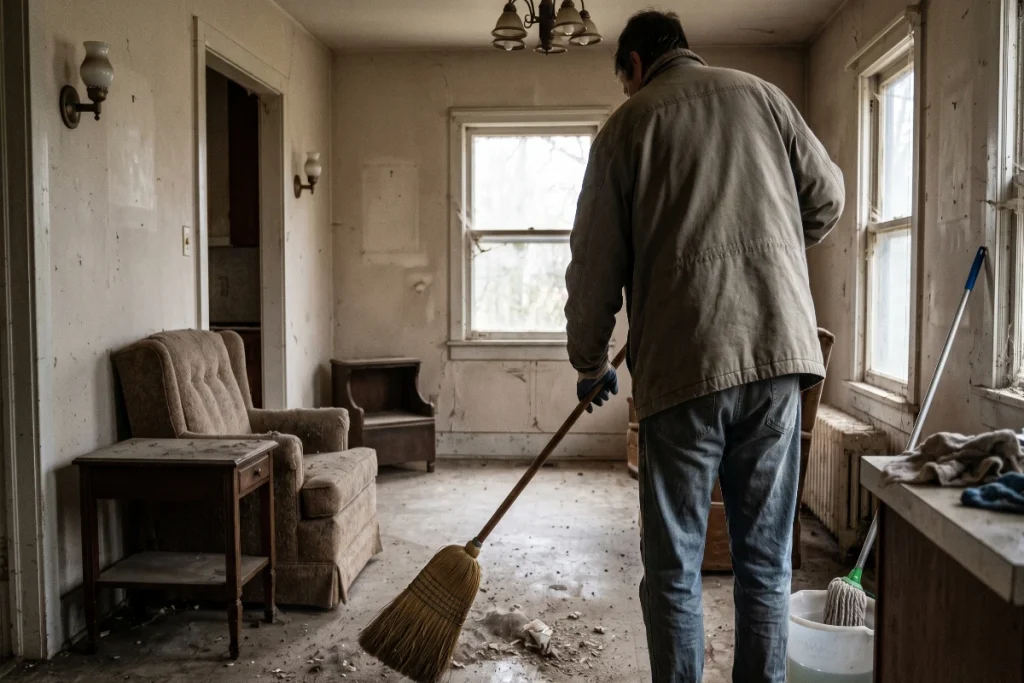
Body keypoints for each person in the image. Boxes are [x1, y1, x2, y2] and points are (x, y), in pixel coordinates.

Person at [564, 10, 844, 683]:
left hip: (686, 367)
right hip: (779, 358)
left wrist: (591, 362)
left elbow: (595, 265)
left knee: (673, 572)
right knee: (766, 565)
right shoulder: (764, 97)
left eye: (625, 81)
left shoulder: (626, 129)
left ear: (633, 66)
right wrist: (766, 256)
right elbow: (828, 198)